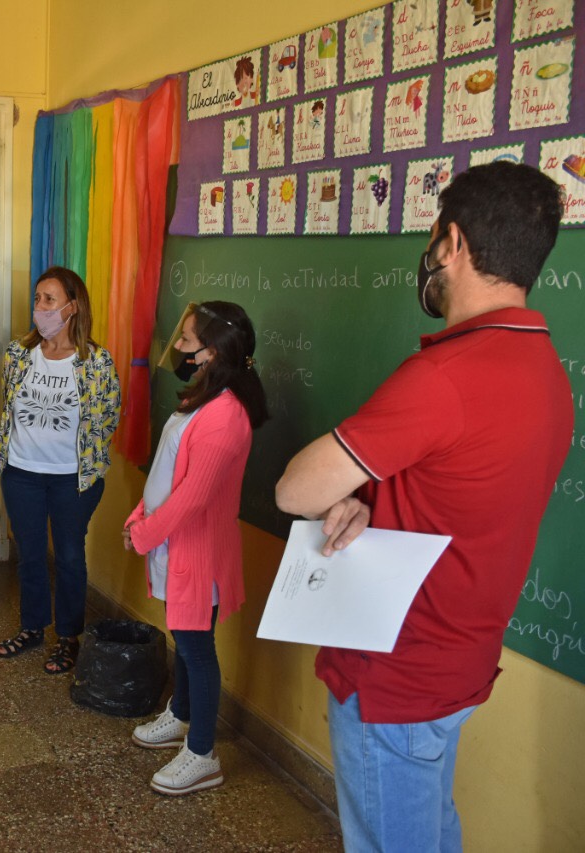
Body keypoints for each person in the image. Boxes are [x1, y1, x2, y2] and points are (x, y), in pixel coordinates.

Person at [275, 162, 571, 851]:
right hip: (461, 657)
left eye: (437, 241)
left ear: (455, 243)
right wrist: (367, 497)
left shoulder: (443, 377)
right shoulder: (546, 372)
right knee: (430, 827)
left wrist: (344, 492)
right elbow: (452, 494)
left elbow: (295, 487)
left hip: (397, 669)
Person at [123, 301, 268, 796]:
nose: (179, 348)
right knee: (183, 636)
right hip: (171, 544)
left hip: (195, 552)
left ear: (215, 352)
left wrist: (144, 533)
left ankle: (202, 753)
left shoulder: (226, 416)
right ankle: (182, 715)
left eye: (187, 341)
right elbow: (166, 472)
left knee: (196, 649)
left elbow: (191, 498)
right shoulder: (202, 398)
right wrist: (139, 518)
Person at [0, 266, 120, 675]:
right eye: (38, 299)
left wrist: (88, 461)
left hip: (73, 480)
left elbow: (108, 417)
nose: (41, 308)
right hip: (22, 473)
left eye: (49, 300)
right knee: (30, 555)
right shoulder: (18, 355)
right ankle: (32, 628)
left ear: (73, 306)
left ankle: (68, 637)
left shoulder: (95, 362)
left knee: (68, 556)